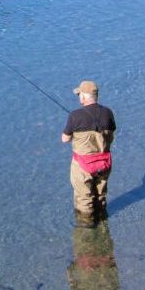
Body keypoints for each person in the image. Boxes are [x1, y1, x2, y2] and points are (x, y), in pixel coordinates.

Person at [62, 79, 117, 227]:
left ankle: (87, 232)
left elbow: (65, 139)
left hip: (83, 165)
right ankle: (102, 223)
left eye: (79, 94)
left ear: (84, 96)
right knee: (100, 195)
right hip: (104, 162)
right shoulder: (108, 112)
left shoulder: (75, 115)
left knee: (84, 199)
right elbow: (111, 134)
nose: (79, 97)